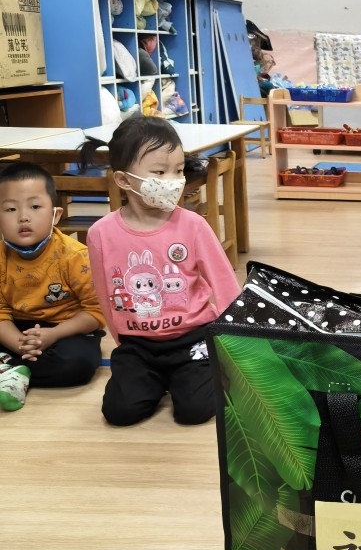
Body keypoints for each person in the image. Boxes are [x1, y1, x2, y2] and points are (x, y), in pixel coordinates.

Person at [80, 116, 240, 426]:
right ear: (124, 180)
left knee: (194, 411)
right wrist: (121, 338)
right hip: (138, 344)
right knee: (120, 413)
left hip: (193, 338)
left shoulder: (193, 225)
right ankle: (161, 379)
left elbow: (225, 285)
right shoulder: (101, 233)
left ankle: (204, 370)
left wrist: (235, 341)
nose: (173, 180)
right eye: (159, 172)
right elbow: (104, 292)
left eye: (178, 170)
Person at [0, 162, 105, 411]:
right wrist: (19, 343)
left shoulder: (75, 255)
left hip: (67, 329)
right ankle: (16, 369)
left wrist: (53, 335)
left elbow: (95, 312)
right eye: (10, 209)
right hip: (15, 328)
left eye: (35, 207)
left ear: (55, 215)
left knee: (79, 364)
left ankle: (9, 368)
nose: (23, 217)